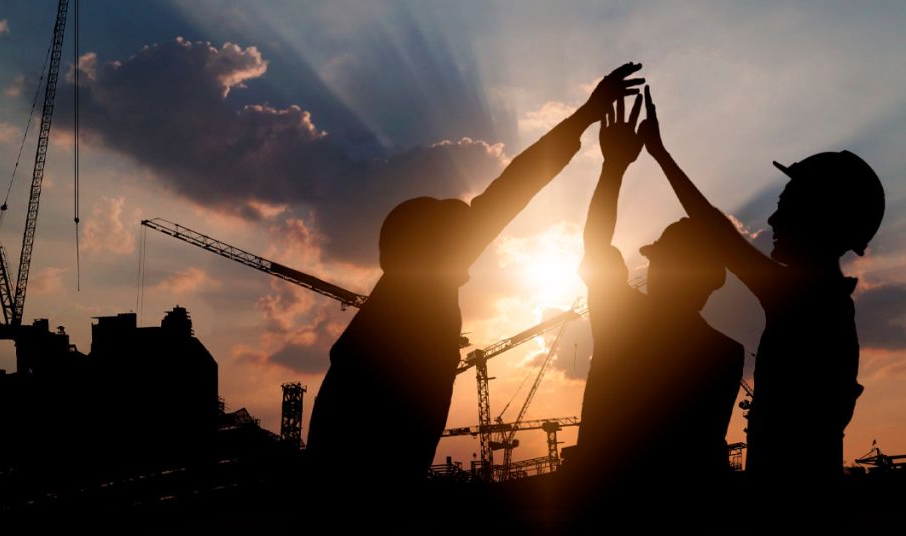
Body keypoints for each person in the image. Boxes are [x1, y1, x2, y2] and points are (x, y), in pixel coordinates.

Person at [305, 64, 646, 506]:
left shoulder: (402, 306)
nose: (472, 228)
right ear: (429, 245)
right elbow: (513, 188)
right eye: (456, 225)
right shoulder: (416, 302)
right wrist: (585, 116)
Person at [637, 85, 884, 485]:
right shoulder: (830, 306)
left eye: (785, 206)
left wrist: (661, 155)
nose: (771, 221)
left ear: (817, 218)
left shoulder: (805, 302)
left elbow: (718, 232)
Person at [568, 94, 743, 530]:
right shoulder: (726, 353)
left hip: (610, 509)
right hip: (688, 513)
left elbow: (596, 244)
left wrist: (614, 167)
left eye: (659, 261)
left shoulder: (624, 319)